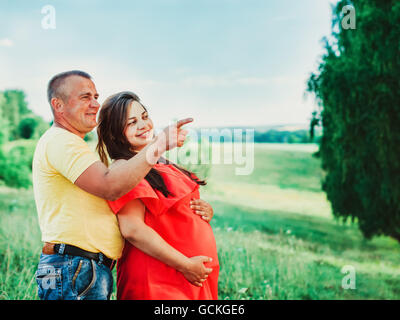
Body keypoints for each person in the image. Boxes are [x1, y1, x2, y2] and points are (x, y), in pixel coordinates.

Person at [32, 70, 205, 300]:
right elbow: (111, 187)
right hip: (74, 265)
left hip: (81, 267)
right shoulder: (61, 141)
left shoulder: (75, 145)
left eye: (96, 96)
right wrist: (158, 144)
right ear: (58, 105)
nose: (95, 103)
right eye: (85, 97)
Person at [96, 91, 219, 300]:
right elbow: (132, 229)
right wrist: (186, 265)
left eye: (144, 116)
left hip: (187, 276)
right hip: (160, 279)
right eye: (132, 122)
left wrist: (205, 211)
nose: (143, 125)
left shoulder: (158, 162)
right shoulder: (126, 170)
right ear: (115, 133)